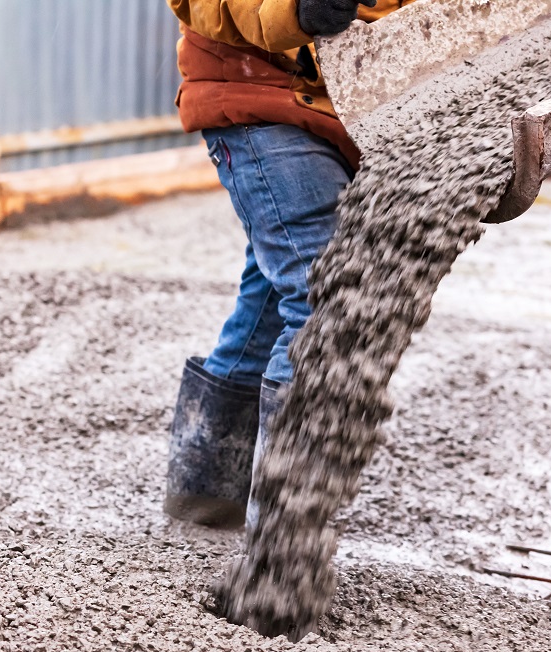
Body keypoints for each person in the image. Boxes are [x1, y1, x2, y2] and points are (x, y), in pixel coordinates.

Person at [163, 0, 410, 528]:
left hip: (353, 108)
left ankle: (208, 490)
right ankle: (280, 557)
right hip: (260, 99)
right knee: (327, 299)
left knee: (276, 292)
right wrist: (296, 10)